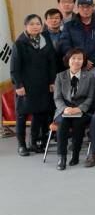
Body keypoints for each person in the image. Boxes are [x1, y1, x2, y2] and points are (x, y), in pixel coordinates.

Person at [10, 14, 56, 156]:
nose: (35, 26)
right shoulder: (20, 43)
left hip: (42, 84)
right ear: (26, 26)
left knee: (39, 114)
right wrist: (18, 85)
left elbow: (52, 63)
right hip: (25, 86)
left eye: (38, 24)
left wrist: (52, 81)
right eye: (32, 24)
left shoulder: (45, 40)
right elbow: (14, 67)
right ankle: (21, 145)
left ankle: (34, 142)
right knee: (22, 115)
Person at [53, 48, 95, 170]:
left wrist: (80, 109)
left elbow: (90, 97)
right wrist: (65, 109)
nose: (76, 61)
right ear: (68, 60)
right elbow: (57, 98)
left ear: (84, 61)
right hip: (63, 110)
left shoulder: (90, 77)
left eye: (79, 59)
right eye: (73, 58)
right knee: (63, 122)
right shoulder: (60, 76)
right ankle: (62, 157)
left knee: (79, 122)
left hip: (82, 110)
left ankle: (75, 154)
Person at [59, 0, 95, 72]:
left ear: (93, 7)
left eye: (88, 6)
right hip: (74, 65)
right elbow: (65, 45)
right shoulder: (69, 26)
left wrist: (92, 60)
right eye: (82, 7)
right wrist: (78, 60)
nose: (85, 9)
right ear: (77, 8)